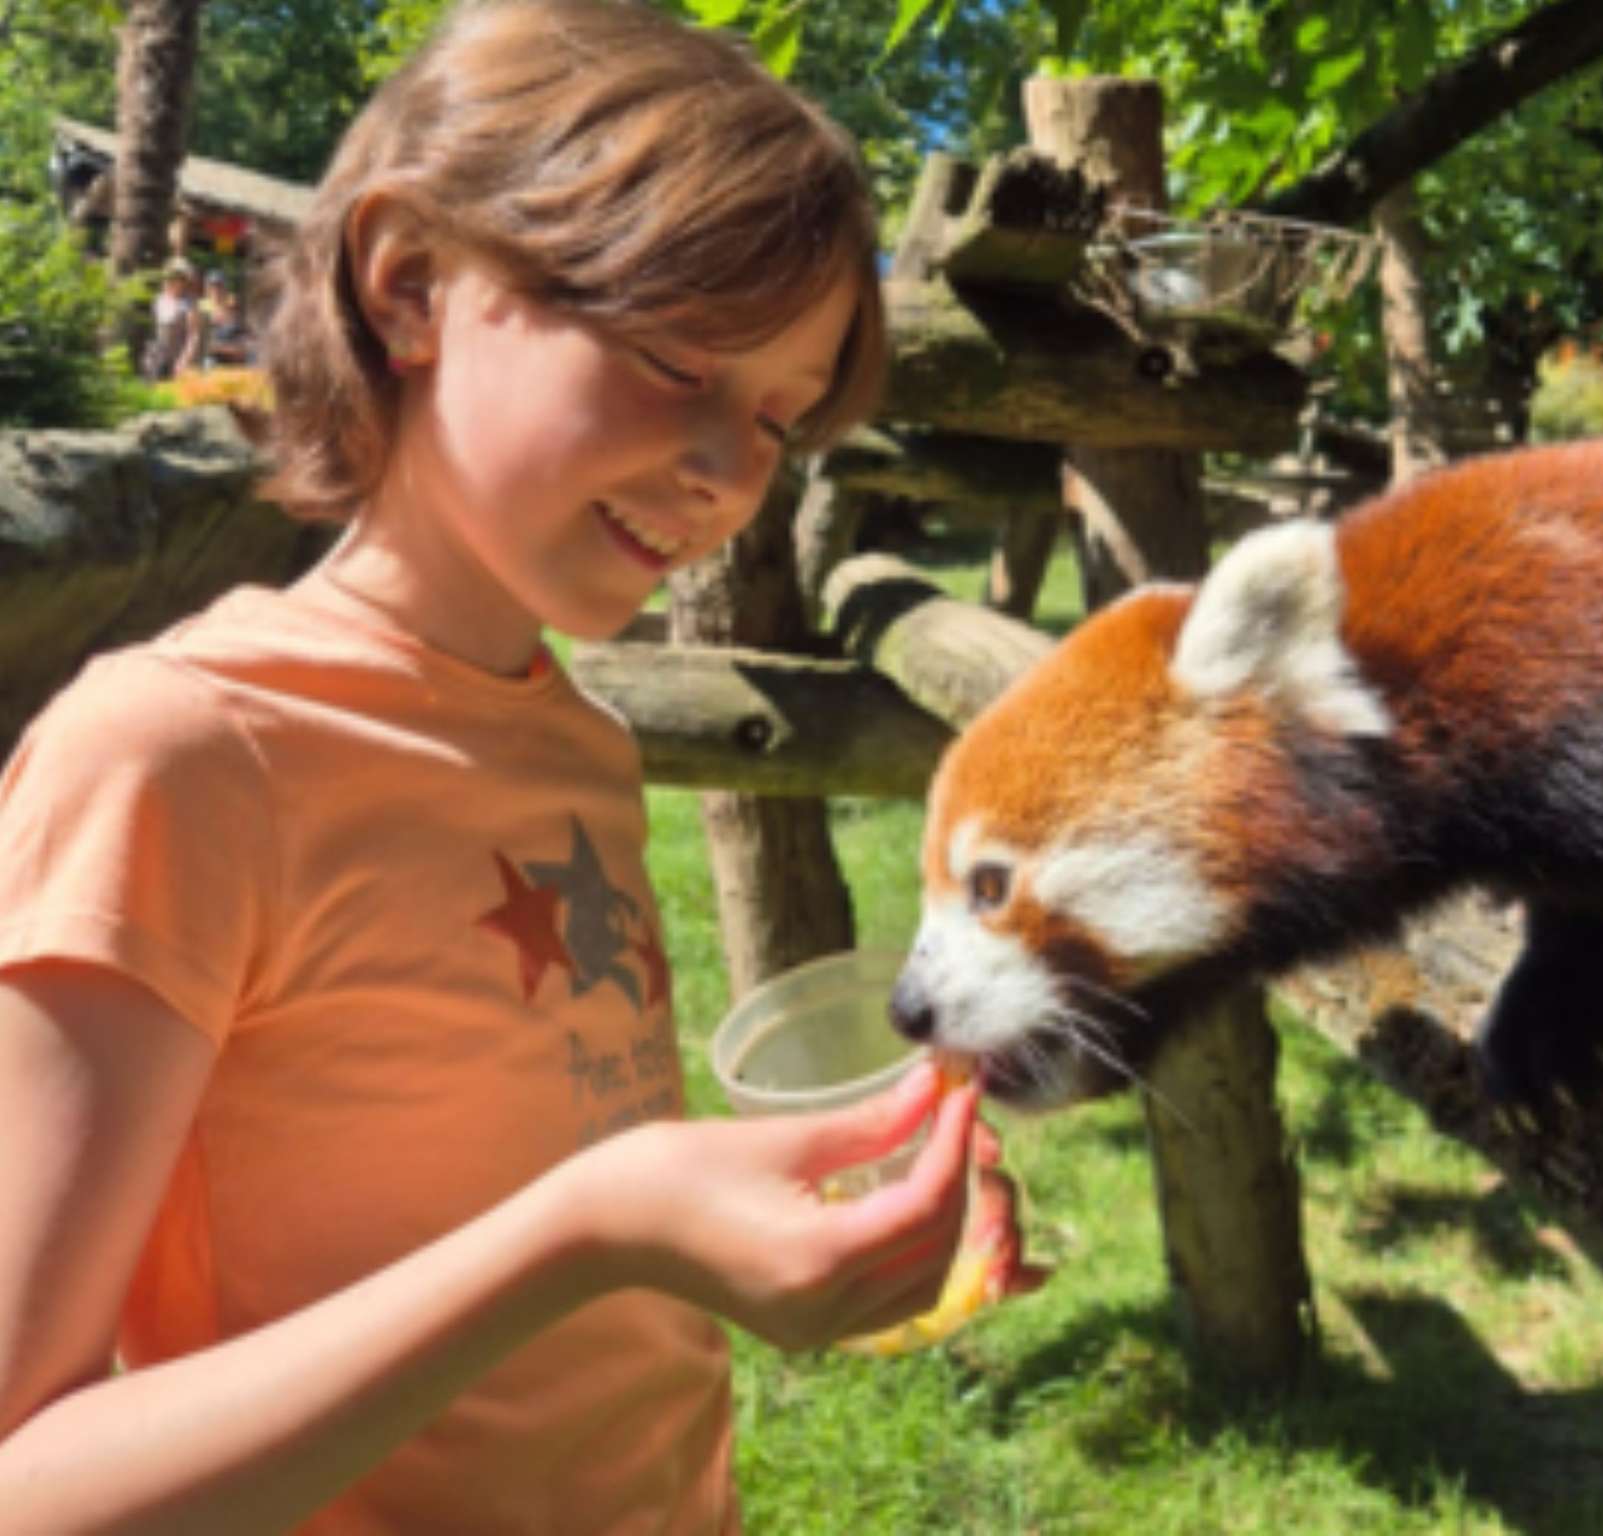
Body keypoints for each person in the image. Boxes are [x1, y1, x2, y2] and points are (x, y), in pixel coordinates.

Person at [0, 3, 1039, 1531]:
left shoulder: (578, 741)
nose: (730, 473)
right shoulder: (177, 757)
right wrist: (590, 1233)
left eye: (777, 419)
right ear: (412, 281)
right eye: (677, 359)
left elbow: (553, 1163)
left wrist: (805, 1187)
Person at [144, 255, 209, 379]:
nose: (173, 281)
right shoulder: (159, 300)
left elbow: (193, 336)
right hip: (158, 359)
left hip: (179, 360)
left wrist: (183, 361)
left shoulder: (190, 304)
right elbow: (154, 330)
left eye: (179, 278)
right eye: (171, 277)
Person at [203, 268, 258, 368]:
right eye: (213, 287)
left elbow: (247, 333)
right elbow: (206, 343)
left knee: (254, 356)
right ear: (207, 289)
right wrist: (230, 350)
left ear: (225, 288)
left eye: (220, 286)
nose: (216, 290)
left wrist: (246, 346)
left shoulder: (234, 308)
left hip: (237, 351)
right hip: (215, 355)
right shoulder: (203, 309)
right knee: (208, 362)